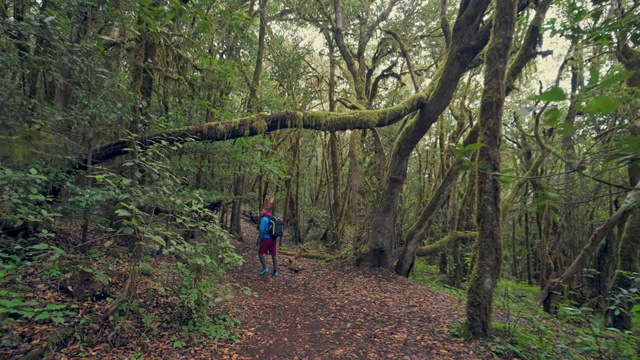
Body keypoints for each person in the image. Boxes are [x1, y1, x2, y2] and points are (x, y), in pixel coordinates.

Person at [258, 199, 278, 277]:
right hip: (273, 238)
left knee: (260, 253)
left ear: (264, 211)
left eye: (261, 210)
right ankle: (275, 271)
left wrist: (261, 239)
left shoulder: (264, 219)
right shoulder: (271, 217)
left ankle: (265, 268)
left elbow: (262, 230)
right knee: (273, 254)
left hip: (266, 239)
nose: (260, 212)